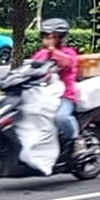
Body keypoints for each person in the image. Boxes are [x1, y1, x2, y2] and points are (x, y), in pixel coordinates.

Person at [30, 18, 82, 150]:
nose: (47, 39)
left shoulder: (68, 53)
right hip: (43, 95)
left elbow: (67, 63)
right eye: (46, 36)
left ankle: (77, 140)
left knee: (61, 117)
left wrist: (53, 51)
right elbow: (32, 68)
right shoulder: (41, 54)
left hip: (65, 96)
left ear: (60, 38)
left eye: (52, 37)